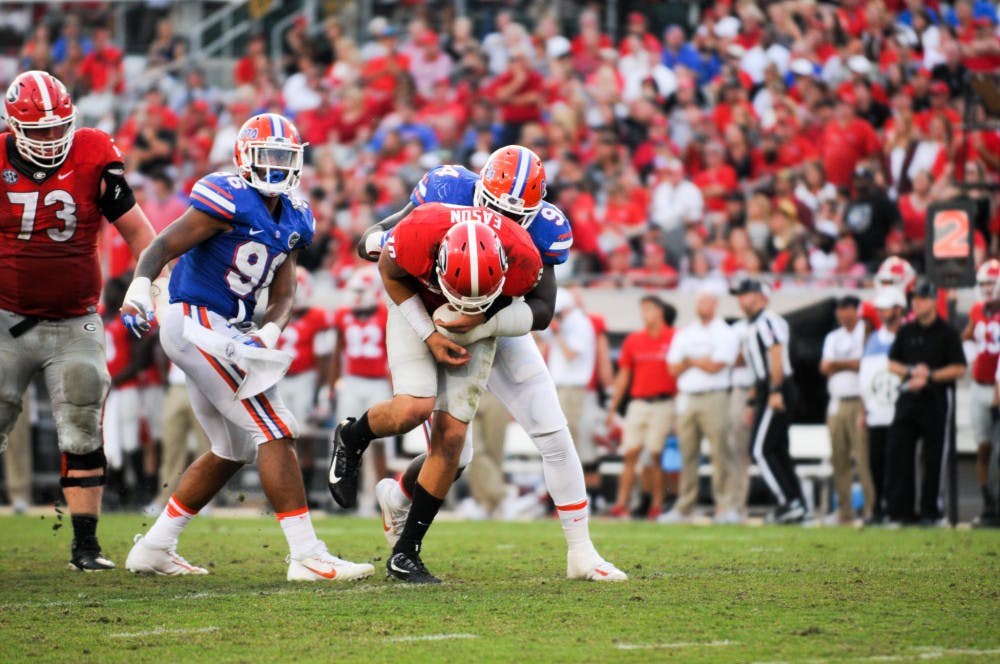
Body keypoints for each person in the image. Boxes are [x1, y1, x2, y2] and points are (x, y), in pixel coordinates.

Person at [339, 146, 625, 582]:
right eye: (494, 209)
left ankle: (581, 553)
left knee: (552, 430)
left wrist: (480, 321)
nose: (503, 225)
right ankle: (369, 459)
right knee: (453, 451)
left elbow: (543, 311)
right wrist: (383, 243)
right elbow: (376, 240)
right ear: (480, 193)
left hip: (494, 322)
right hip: (425, 314)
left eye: (516, 217)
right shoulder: (445, 191)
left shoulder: (544, 229)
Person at [120, 113, 373, 581]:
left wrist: (271, 330)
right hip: (196, 319)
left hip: (227, 328)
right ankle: (306, 554)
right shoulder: (226, 195)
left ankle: (155, 546)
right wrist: (139, 287)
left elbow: (283, 292)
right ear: (245, 157)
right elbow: (162, 245)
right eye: (267, 156)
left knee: (232, 446)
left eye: (284, 157)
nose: (276, 166)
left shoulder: (297, 216)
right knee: (276, 427)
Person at [332, 204, 545, 583]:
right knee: (413, 408)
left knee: (453, 440)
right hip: (413, 305)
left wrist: (483, 318)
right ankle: (352, 436)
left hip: (480, 323)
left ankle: (405, 553)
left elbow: (542, 312)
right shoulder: (417, 233)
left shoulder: (522, 253)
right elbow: (388, 271)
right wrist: (429, 335)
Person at [0, 70, 155, 570]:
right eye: (39, 131)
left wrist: (143, 284)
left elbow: (140, 233)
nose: (50, 140)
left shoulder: (92, 152)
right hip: (5, 317)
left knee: (84, 423)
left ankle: (85, 546)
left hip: (74, 320)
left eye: (57, 128)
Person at [885, 279, 967, 525]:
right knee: (900, 453)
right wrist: (912, 372)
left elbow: (959, 368)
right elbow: (892, 363)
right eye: (914, 298)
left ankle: (931, 511)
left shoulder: (947, 333)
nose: (916, 303)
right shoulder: (906, 331)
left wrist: (929, 375)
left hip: (935, 400)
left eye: (921, 298)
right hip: (908, 398)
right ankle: (902, 511)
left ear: (933, 300)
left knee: (933, 458)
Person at [732, 278, 809, 524]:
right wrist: (754, 400)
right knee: (778, 450)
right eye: (740, 294)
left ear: (760, 296)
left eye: (746, 294)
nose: (742, 299)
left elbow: (775, 356)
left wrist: (775, 390)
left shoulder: (768, 321)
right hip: (769, 386)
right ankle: (798, 503)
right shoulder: (753, 325)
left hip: (778, 385)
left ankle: (789, 502)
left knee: (760, 449)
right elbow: (760, 368)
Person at [663, 287, 740, 524]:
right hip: (688, 396)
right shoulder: (687, 332)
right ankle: (685, 507)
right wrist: (699, 361)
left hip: (714, 396)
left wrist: (690, 360)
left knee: (720, 451)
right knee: (688, 453)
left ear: (715, 305)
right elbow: (673, 368)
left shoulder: (724, 332)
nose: (702, 307)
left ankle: (726, 506)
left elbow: (717, 365)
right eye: (699, 302)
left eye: (706, 302)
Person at [605, 296, 677, 520]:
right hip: (638, 402)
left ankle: (656, 504)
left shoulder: (674, 338)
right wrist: (613, 407)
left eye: (649, 309)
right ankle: (621, 503)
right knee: (630, 453)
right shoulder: (634, 340)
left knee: (656, 454)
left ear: (660, 311)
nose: (645, 314)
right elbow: (624, 376)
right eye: (643, 309)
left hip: (663, 402)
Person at [330, 266, 391, 514]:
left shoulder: (386, 315)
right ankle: (345, 498)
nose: (356, 295)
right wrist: (332, 386)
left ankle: (380, 496)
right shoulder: (343, 315)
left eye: (361, 290)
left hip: (378, 382)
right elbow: (337, 352)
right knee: (345, 441)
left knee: (379, 443)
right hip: (351, 381)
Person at [276, 267, 335, 507]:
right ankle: (281, 494)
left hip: (305, 378)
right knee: (279, 437)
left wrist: (320, 392)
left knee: (305, 438)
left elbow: (324, 357)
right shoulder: (277, 310)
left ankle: (305, 494)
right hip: (278, 378)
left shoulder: (317, 317)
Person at [819, 295, 874, 524]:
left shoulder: (866, 331)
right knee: (838, 458)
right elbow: (824, 367)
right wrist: (849, 364)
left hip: (860, 401)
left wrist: (838, 365)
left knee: (863, 458)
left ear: (855, 310)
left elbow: (865, 364)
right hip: (837, 401)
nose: (842, 315)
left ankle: (871, 510)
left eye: (846, 310)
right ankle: (844, 511)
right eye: (839, 311)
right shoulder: (833, 336)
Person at [858, 287, 907, 524]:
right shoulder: (874, 339)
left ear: (898, 309)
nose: (881, 313)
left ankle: (896, 507)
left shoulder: (908, 335)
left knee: (897, 462)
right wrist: (863, 408)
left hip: (899, 408)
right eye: (880, 309)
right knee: (875, 462)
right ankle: (879, 507)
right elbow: (866, 377)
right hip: (876, 408)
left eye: (886, 308)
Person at [962, 259, 1000, 525]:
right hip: (979, 386)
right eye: (984, 283)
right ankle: (988, 503)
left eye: (991, 283)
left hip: (998, 387)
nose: (987, 288)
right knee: (984, 449)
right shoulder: (976, 311)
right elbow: (967, 335)